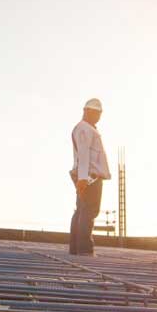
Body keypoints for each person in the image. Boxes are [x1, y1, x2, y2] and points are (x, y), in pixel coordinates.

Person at [69, 98, 110, 256]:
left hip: (86, 176)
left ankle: (75, 248)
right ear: (90, 112)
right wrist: (83, 178)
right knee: (88, 211)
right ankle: (84, 249)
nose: (99, 117)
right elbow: (84, 154)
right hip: (90, 178)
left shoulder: (86, 129)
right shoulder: (84, 129)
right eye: (97, 113)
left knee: (81, 210)